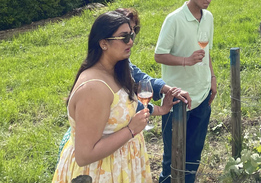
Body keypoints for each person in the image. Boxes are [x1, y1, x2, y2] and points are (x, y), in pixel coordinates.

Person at [52, 11, 181, 182]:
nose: (131, 42)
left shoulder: (116, 70)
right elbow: (85, 154)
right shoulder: (94, 88)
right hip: (101, 173)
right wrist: (131, 130)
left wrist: (161, 109)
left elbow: (124, 108)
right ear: (103, 43)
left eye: (132, 35)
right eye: (124, 37)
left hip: (121, 168)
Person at [154, 0, 218, 183]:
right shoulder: (174, 19)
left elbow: (207, 52)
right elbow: (158, 55)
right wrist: (185, 61)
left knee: (194, 153)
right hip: (177, 98)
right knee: (172, 156)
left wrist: (212, 79)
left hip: (202, 94)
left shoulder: (208, 17)